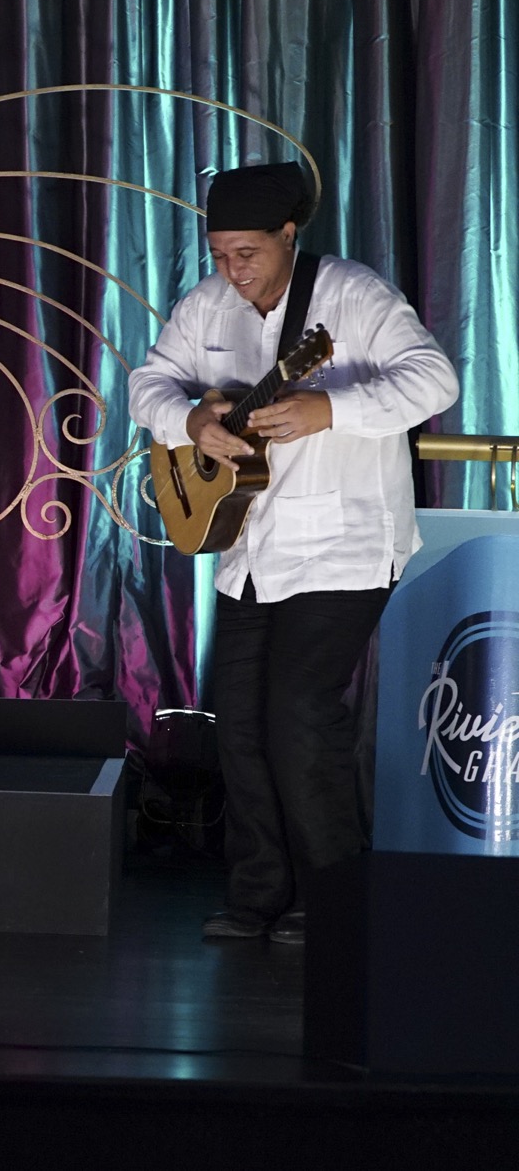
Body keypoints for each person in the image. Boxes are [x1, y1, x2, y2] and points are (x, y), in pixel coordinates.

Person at [128, 162, 459, 943]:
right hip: (248, 548)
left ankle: (331, 895)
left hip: (346, 544)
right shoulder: (207, 304)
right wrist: (191, 422)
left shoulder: (354, 295)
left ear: (288, 234)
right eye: (219, 255)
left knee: (301, 716)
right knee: (239, 723)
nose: (233, 271)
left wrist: (331, 408)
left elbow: (435, 380)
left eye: (247, 253)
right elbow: (149, 383)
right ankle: (257, 894)